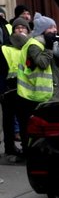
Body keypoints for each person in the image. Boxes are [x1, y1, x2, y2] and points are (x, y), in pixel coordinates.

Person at [15, 14, 59, 148]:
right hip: (34, 94)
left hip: (52, 92)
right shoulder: (34, 45)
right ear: (42, 30)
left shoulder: (51, 43)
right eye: (50, 28)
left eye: (55, 27)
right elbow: (43, 63)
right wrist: (50, 48)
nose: (54, 30)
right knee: (35, 129)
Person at [1, 17, 28, 162]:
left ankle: (26, 148)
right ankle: (10, 149)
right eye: (17, 28)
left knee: (25, 121)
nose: (20, 30)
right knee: (9, 121)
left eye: (23, 28)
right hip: (9, 89)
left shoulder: (30, 46)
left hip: (26, 89)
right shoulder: (5, 49)